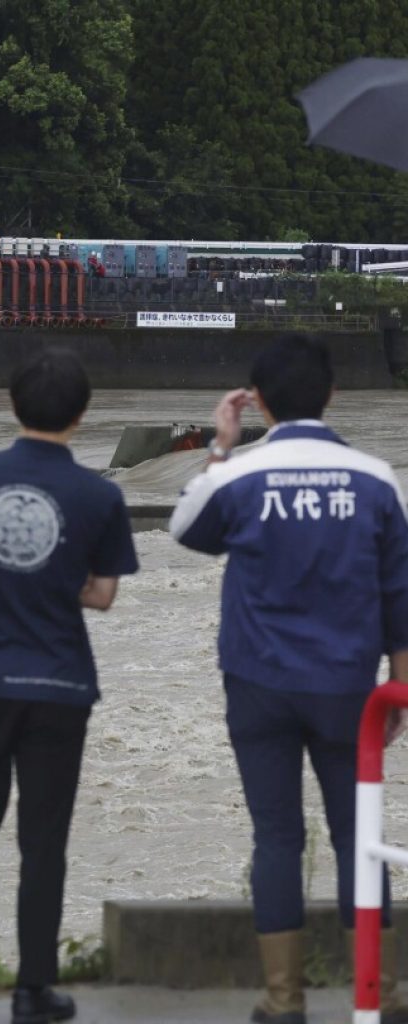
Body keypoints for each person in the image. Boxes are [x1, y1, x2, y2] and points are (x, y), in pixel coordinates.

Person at [169, 334, 408, 1024]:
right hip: (346, 688)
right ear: (332, 395)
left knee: (276, 838)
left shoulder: (238, 477)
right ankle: (382, 992)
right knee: (355, 833)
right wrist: (398, 683)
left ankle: (284, 1000)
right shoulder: (375, 478)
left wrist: (220, 443)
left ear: (260, 401)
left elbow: (186, 528)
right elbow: (399, 588)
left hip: (258, 681)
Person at [0, 349, 139, 1024]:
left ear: (12, 405)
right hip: (58, 686)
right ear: (83, 413)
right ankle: (33, 991)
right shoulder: (101, 496)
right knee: (43, 845)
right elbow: (101, 596)